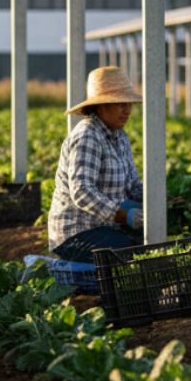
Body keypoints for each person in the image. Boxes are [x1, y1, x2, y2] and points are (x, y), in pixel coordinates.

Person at [47, 66, 145, 264]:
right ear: (101, 106)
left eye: (129, 104)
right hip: (76, 234)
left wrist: (158, 201)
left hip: (104, 227)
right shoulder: (88, 136)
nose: (127, 110)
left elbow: (133, 184)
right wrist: (122, 215)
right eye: (120, 104)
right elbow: (82, 192)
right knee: (133, 252)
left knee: (151, 241)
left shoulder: (120, 136)